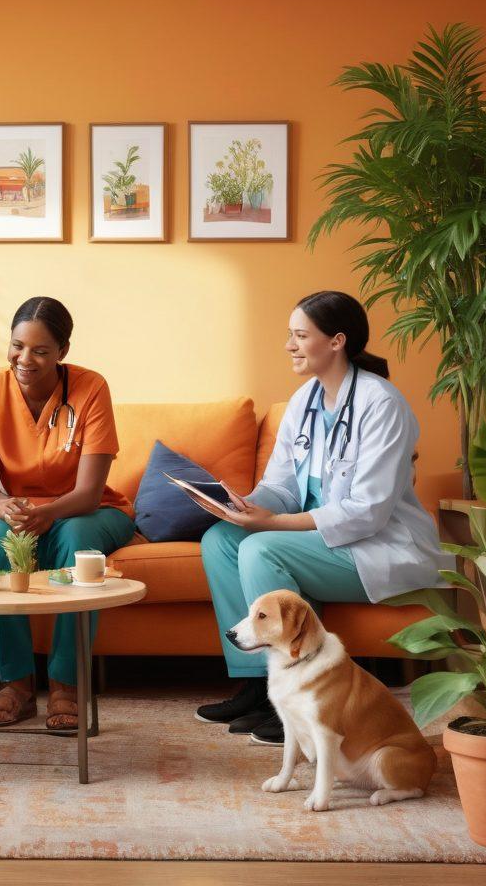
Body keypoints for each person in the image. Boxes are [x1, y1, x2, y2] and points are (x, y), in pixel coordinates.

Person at [197, 290, 450, 745]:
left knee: (261, 548)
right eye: (290, 335)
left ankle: (304, 695)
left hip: (378, 546)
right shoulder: (305, 400)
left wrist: (269, 524)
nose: (289, 345)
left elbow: (366, 512)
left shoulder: (382, 404)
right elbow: (283, 488)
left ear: (336, 341)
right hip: (330, 542)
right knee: (220, 540)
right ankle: (257, 686)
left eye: (300, 336)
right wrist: (241, 507)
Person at [0, 296, 136, 730]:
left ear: (63, 351)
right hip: (15, 509)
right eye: (17, 346)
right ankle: (16, 685)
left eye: (40, 351)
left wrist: (48, 514)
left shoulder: (91, 387)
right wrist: (5, 507)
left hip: (86, 510)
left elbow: (89, 493)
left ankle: (66, 685)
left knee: (77, 541)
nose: (25, 359)